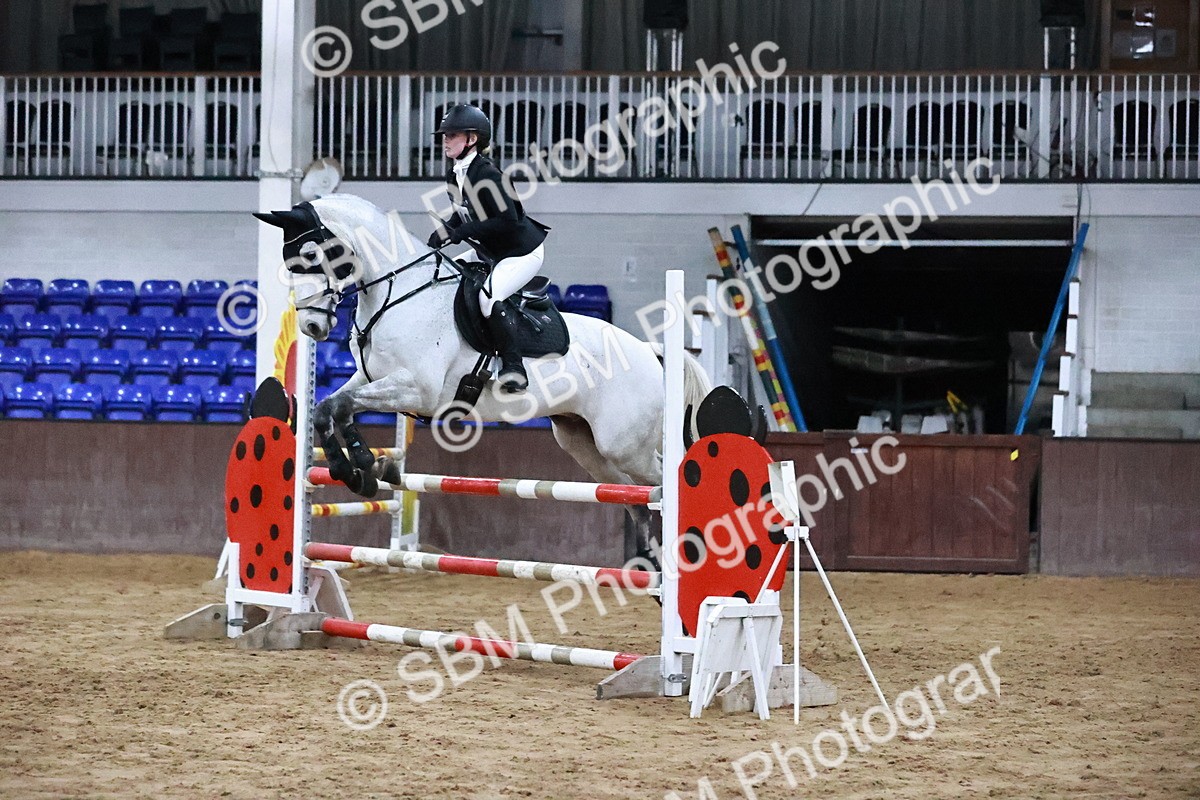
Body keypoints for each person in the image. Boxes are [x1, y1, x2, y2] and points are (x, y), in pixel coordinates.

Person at [427, 103, 549, 393]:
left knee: (488, 298)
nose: (445, 140)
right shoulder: (454, 174)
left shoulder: (489, 174)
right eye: (444, 135)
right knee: (445, 275)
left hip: (520, 252)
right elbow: (464, 213)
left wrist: (462, 232)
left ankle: (514, 368)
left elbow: (508, 221)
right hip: (489, 250)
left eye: (452, 135)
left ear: (472, 139)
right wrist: (443, 232)